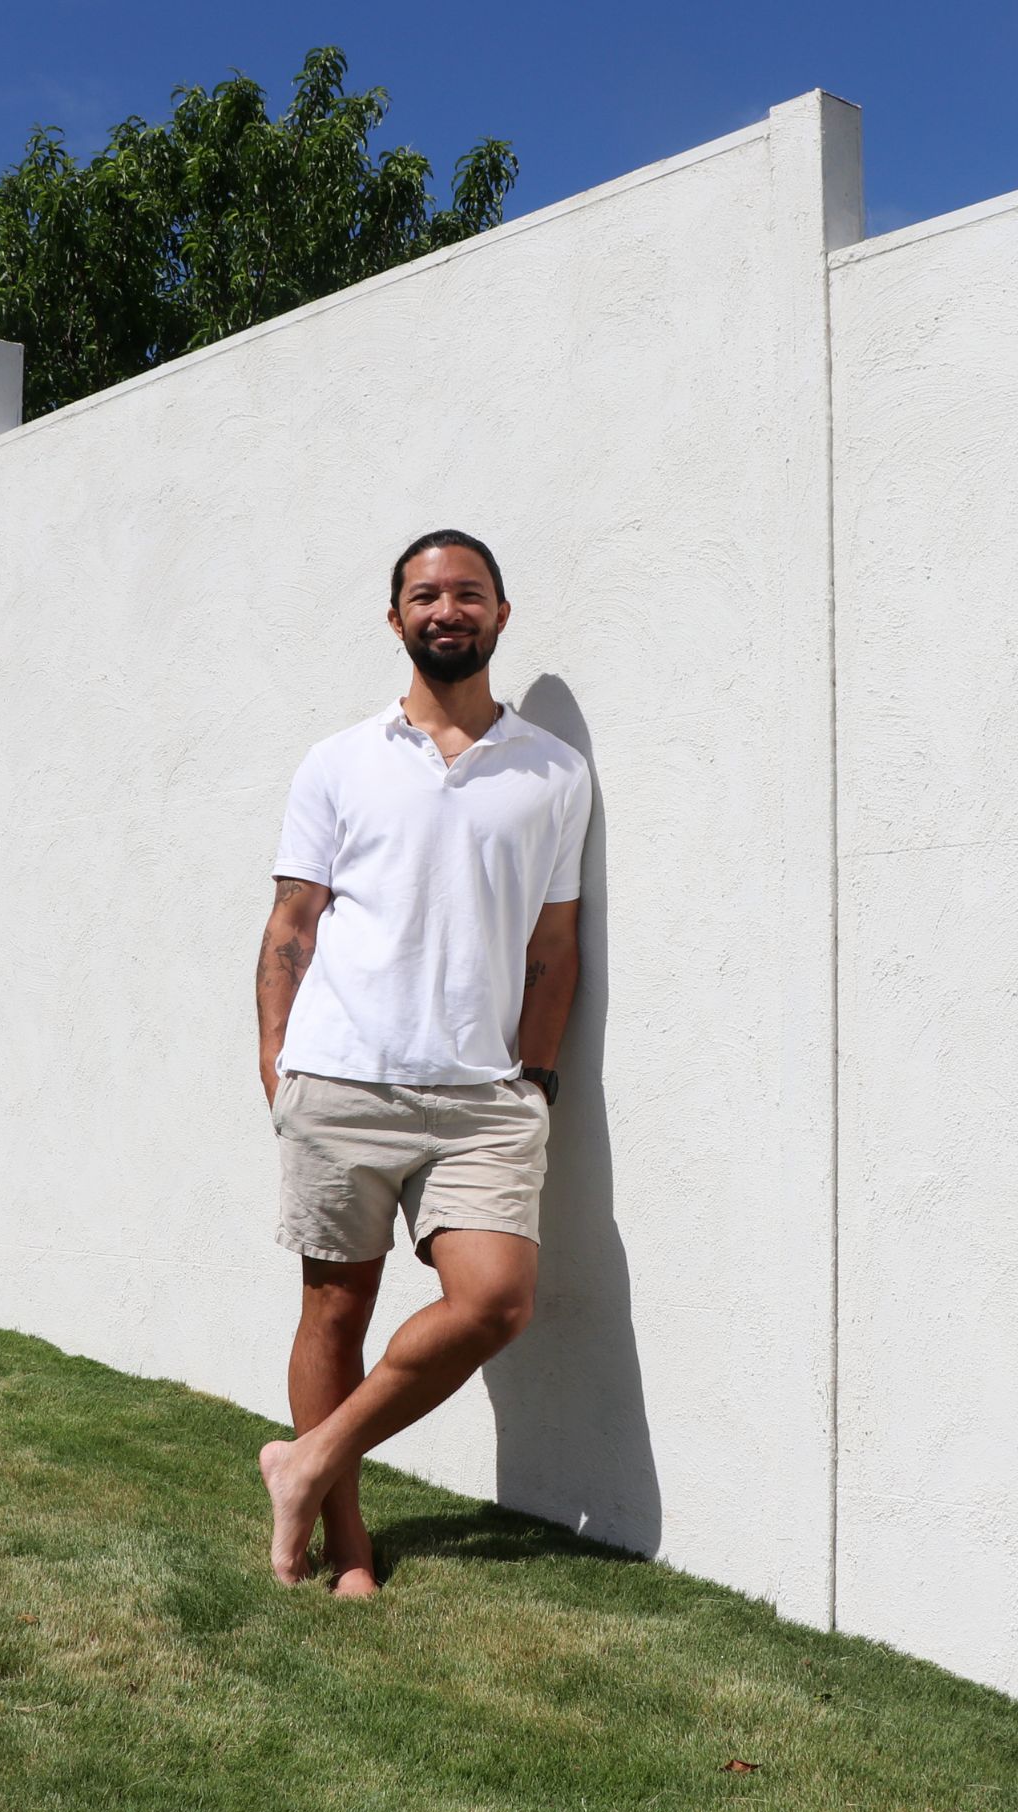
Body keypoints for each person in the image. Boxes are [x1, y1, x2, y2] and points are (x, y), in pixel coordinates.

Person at [252, 529, 592, 1593]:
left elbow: (552, 949)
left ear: (501, 614)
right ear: (395, 619)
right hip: (340, 1078)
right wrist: (277, 1062)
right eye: (425, 595)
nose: (447, 610)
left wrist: (533, 1082)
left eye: (469, 594)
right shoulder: (339, 761)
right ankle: (345, 1548)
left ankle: (303, 1461)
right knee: (335, 1310)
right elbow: (290, 925)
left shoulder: (554, 772)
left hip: (482, 1096)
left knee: (495, 1299)